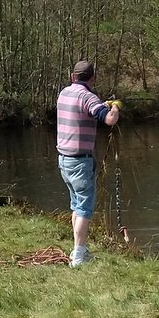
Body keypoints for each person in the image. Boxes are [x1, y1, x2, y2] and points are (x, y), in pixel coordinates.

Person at [55, 60, 120, 266]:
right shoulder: (88, 97)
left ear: (73, 76)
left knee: (76, 205)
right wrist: (115, 108)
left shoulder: (64, 93)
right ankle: (79, 255)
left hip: (63, 159)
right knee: (84, 208)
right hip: (79, 161)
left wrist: (103, 106)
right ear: (93, 78)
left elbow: (90, 109)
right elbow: (109, 120)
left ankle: (78, 251)